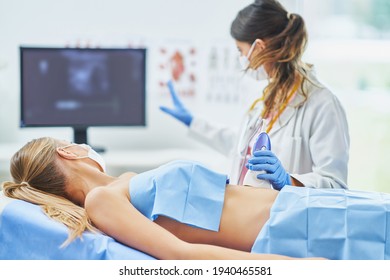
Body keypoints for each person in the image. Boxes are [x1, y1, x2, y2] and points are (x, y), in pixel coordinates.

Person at [2, 137, 390, 260]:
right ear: (67, 153)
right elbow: (179, 255)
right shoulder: (101, 201)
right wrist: (289, 266)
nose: (79, 146)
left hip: (299, 209)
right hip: (293, 233)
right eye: (69, 144)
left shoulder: (124, 183)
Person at [160, 0, 350, 190]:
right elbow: (240, 146)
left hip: (285, 215)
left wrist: (288, 181)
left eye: (241, 51)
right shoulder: (268, 98)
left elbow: (335, 184)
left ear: (259, 47)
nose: (242, 59)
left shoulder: (323, 104)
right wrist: (193, 121)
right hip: (250, 210)